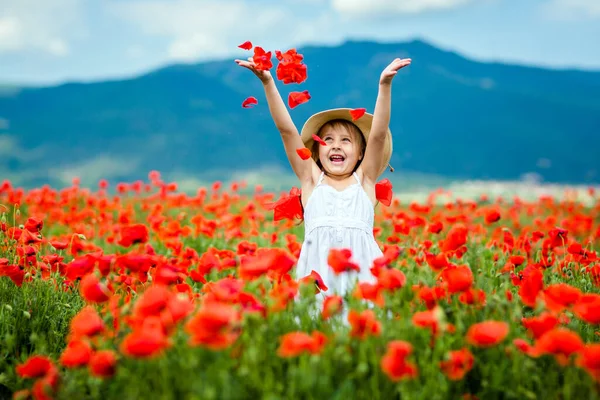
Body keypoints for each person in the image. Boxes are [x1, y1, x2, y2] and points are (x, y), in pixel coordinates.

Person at [235, 55, 411, 299]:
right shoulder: (310, 180)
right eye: (327, 140)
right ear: (316, 150)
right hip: (317, 282)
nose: (336, 146)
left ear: (362, 153)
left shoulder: (365, 181)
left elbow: (378, 135)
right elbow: (287, 131)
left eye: (345, 141)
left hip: (362, 282)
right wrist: (268, 83)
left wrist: (384, 85)